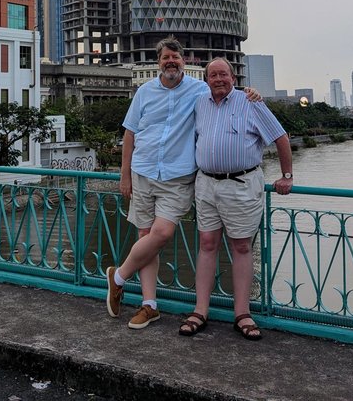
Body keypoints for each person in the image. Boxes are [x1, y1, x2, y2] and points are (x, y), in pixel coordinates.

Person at [105, 38, 261, 329]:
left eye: (175, 57)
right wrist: (124, 175)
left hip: (177, 177)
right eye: (166, 57)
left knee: (161, 233)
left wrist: (249, 93)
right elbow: (130, 134)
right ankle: (149, 305)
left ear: (183, 61)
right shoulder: (144, 92)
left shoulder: (199, 90)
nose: (171, 62)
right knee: (145, 238)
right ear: (158, 61)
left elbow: (223, 89)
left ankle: (118, 276)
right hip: (143, 171)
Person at [178, 57, 293, 340]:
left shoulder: (250, 102)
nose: (218, 79)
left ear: (233, 77)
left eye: (223, 74)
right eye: (213, 75)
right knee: (207, 244)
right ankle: (200, 310)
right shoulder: (200, 103)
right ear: (206, 80)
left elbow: (280, 137)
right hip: (206, 184)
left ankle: (242, 312)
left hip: (241, 184)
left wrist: (286, 175)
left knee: (241, 246)